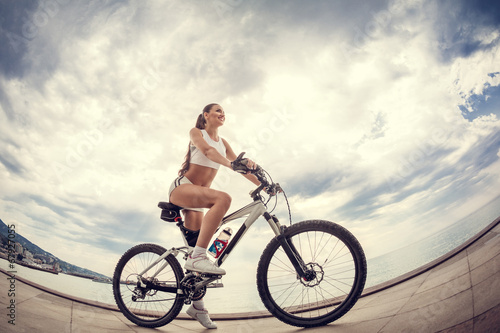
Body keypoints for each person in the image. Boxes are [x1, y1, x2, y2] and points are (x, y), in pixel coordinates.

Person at [168, 103, 261, 329]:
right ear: (206, 115)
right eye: (217, 110)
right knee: (223, 199)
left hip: (197, 204)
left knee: (196, 258)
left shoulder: (224, 143)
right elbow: (209, 152)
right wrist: (231, 163)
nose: (222, 113)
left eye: (224, 111)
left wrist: (264, 184)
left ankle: (197, 308)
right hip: (183, 188)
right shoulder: (196, 133)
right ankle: (198, 256)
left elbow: (240, 168)